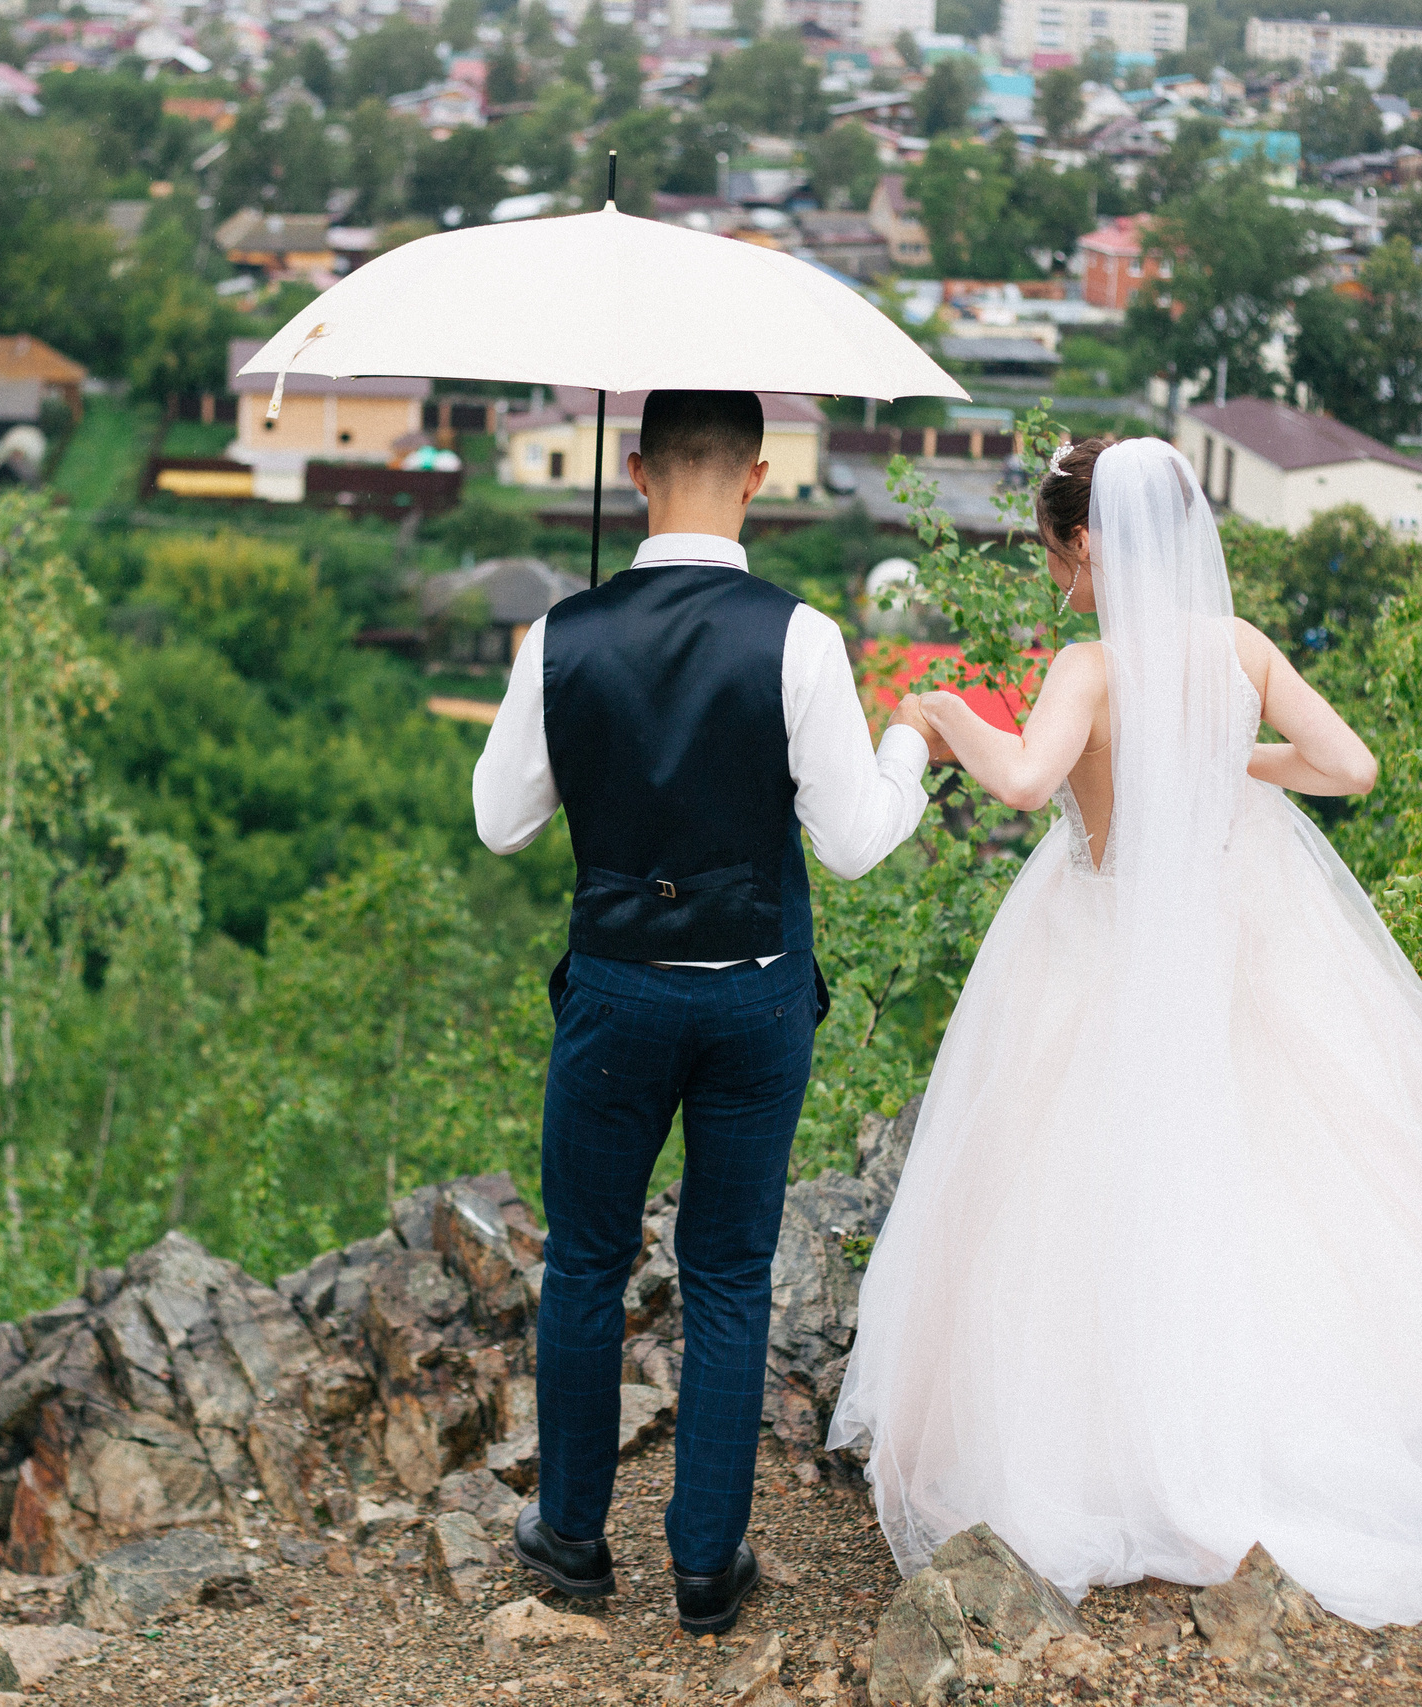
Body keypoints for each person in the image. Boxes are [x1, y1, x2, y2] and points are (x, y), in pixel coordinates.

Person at [829, 435, 1422, 1629]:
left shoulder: (1090, 668)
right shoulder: (1235, 651)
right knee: (1281, 1183)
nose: (1053, 575)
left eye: (1052, 553)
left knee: (1077, 1195)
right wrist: (1229, 760)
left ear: (1084, 544)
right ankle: (1307, 1425)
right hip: (1231, 956)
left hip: (1097, 957)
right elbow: (1350, 765)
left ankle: (1110, 1448)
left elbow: (1030, 784)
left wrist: (942, 714)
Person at [473, 389, 936, 1634]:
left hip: (615, 994)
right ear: (755, 476)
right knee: (727, 1277)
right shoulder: (801, 637)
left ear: (633, 472)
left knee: (583, 1260)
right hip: (752, 998)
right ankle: (703, 1568)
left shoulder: (565, 634)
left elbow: (499, 820)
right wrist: (906, 754)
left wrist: (568, 682)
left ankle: (569, 1538)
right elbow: (848, 846)